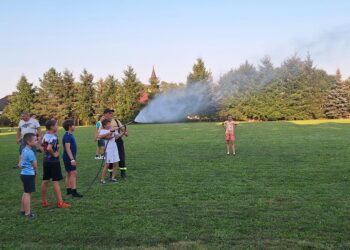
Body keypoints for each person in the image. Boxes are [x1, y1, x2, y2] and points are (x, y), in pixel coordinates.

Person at [41, 119, 71, 208]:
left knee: (45, 180)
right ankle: (60, 203)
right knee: (56, 181)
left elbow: (43, 147)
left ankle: (44, 202)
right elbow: (50, 148)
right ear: (52, 127)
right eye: (56, 125)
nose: (57, 126)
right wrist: (55, 153)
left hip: (46, 161)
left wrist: (49, 152)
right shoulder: (53, 137)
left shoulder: (45, 136)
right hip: (54, 162)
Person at [103, 108, 128, 179]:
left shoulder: (116, 121)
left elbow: (123, 128)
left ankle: (123, 173)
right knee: (110, 158)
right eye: (109, 113)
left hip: (118, 141)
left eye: (111, 113)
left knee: (121, 157)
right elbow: (100, 134)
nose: (111, 114)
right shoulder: (102, 123)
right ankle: (111, 174)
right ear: (105, 114)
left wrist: (125, 132)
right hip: (109, 142)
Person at [98, 119, 124, 184]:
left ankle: (113, 178)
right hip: (108, 150)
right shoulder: (102, 131)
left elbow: (117, 137)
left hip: (114, 148)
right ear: (104, 125)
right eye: (108, 124)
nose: (109, 125)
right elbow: (106, 137)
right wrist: (111, 131)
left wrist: (123, 132)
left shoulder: (112, 130)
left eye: (110, 124)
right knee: (107, 164)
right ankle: (102, 179)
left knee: (116, 163)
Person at [62, 119, 83, 198]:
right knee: (73, 173)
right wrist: (72, 159)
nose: (75, 126)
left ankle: (69, 190)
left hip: (68, 157)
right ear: (69, 127)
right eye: (73, 125)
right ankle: (74, 192)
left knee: (69, 173)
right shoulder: (67, 136)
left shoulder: (69, 134)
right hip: (68, 157)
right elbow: (68, 149)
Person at [19, 133, 38, 219]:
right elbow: (34, 164)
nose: (36, 141)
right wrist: (36, 171)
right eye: (35, 140)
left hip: (23, 174)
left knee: (25, 191)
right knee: (28, 193)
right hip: (29, 174)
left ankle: (23, 210)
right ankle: (27, 213)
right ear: (28, 142)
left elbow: (21, 162)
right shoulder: (30, 152)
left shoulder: (24, 150)